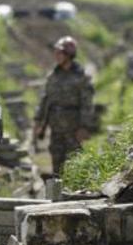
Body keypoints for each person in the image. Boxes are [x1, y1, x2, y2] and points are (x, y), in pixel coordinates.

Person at [34, 36, 95, 178]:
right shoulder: (53, 76)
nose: (56, 56)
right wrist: (39, 122)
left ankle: (76, 191)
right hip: (55, 128)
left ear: (69, 55)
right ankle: (57, 194)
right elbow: (45, 99)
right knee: (56, 162)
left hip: (74, 128)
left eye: (60, 53)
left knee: (75, 161)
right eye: (56, 52)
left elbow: (87, 104)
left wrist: (84, 127)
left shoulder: (82, 77)